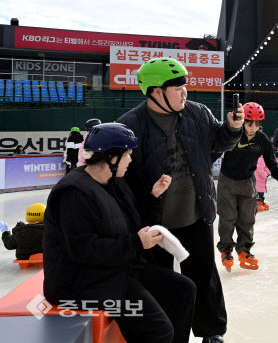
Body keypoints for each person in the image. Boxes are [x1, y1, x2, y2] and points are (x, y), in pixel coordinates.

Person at [117, 57, 243, 343]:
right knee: (163, 281)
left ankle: (211, 331)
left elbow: (218, 142)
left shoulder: (197, 113)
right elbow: (122, 181)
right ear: (155, 92)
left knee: (203, 274)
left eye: (185, 85)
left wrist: (233, 129)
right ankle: (168, 333)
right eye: (177, 87)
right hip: (156, 223)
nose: (184, 91)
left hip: (195, 212)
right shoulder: (130, 125)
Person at [43, 123, 196, 343]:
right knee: (158, 330)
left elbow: (129, 222)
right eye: (127, 155)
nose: (130, 160)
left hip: (113, 270)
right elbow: (83, 250)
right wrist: (135, 243)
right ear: (112, 157)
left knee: (183, 290)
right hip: (80, 286)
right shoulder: (73, 193)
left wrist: (153, 198)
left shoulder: (113, 182)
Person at [216, 102, 278, 273]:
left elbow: (271, 162)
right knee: (228, 217)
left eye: (257, 124)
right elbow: (214, 150)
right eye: (249, 123)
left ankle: (244, 250)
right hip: (227, 180)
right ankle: (226, 249)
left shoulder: (262, 140)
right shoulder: (233, 133)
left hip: (248, 182)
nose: (252, 128)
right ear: (243, 121)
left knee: (247, 218)